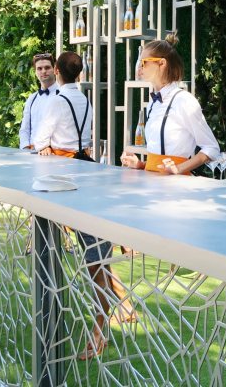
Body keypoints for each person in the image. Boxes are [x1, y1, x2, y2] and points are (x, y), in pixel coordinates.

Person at [33, 51, 133, 359]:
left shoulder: (56, 101)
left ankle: (99, 333)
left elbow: (39, 141)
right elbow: (86, 142)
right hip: (86, 171)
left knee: (93, 262)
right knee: (96, 255)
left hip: (63, 180)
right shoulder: (85, 100)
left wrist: (47, 149)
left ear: (59, 73)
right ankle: (122, 308)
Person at [119, 33, 220, 175]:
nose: (139, 68)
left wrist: (179, 168)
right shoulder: (152, 105)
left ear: (161, 63)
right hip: (151, 183)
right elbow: (160, 158)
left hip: (176, 188)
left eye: (143, 62)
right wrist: (141, 164)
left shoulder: (184, 101)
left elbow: (211, 148)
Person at [18, 53, 58, 150]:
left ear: (55, 69)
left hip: (55, 153)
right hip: (32, 152)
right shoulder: (32, 99)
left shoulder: (62, 95)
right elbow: (24, 129)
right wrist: (25, 148)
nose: (43, 71)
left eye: (47, 67)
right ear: (35, 72)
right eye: (39, 68)